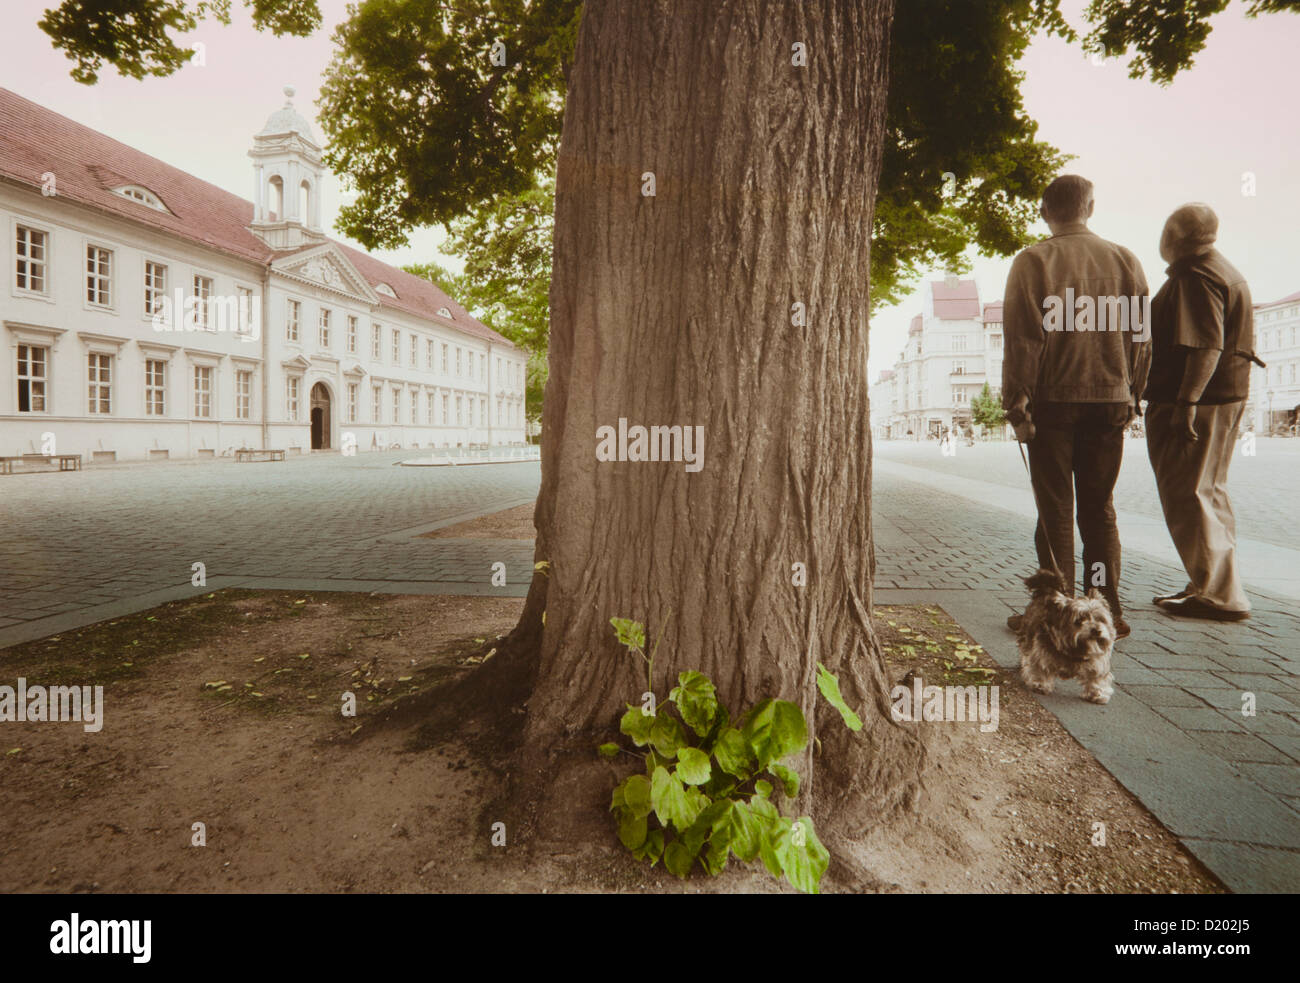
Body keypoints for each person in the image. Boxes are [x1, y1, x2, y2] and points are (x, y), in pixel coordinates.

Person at [1001, 175, 1151, 638]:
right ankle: (1105, 608)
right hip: (1109, 400)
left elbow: (1024, 339)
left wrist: (1016, 403)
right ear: (1090, 207)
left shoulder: (1032, 261)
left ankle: (1056, 612)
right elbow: (1142, 338)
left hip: (1053, 403)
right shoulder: (1126, 260)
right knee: (1098, 507)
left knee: (1055, 509)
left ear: (1046, 211)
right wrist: (1134, 394)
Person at [1143, 203, 1263, 621]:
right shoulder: (1224, 269)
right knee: (1210, 491)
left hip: (1202, 402)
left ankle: (1217, 594)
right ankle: (1213, 584)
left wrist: (1186, 402)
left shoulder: (1195, 275)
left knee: (1189, 493)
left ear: (1174, 235)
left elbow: (1206, 344)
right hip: (1225, 396)